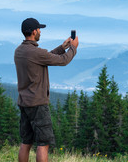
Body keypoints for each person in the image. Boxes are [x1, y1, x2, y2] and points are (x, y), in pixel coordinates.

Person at [14, 18, 78, 162]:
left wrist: (62, 47)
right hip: (38, 104)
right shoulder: (36, 53)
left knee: (26, 142)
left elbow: (45, 57)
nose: (40, 32)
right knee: (43, 144)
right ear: (34, 31)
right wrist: (73, 48)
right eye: (39, 29)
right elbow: (63, 61)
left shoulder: (19, 51)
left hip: (24, 103)